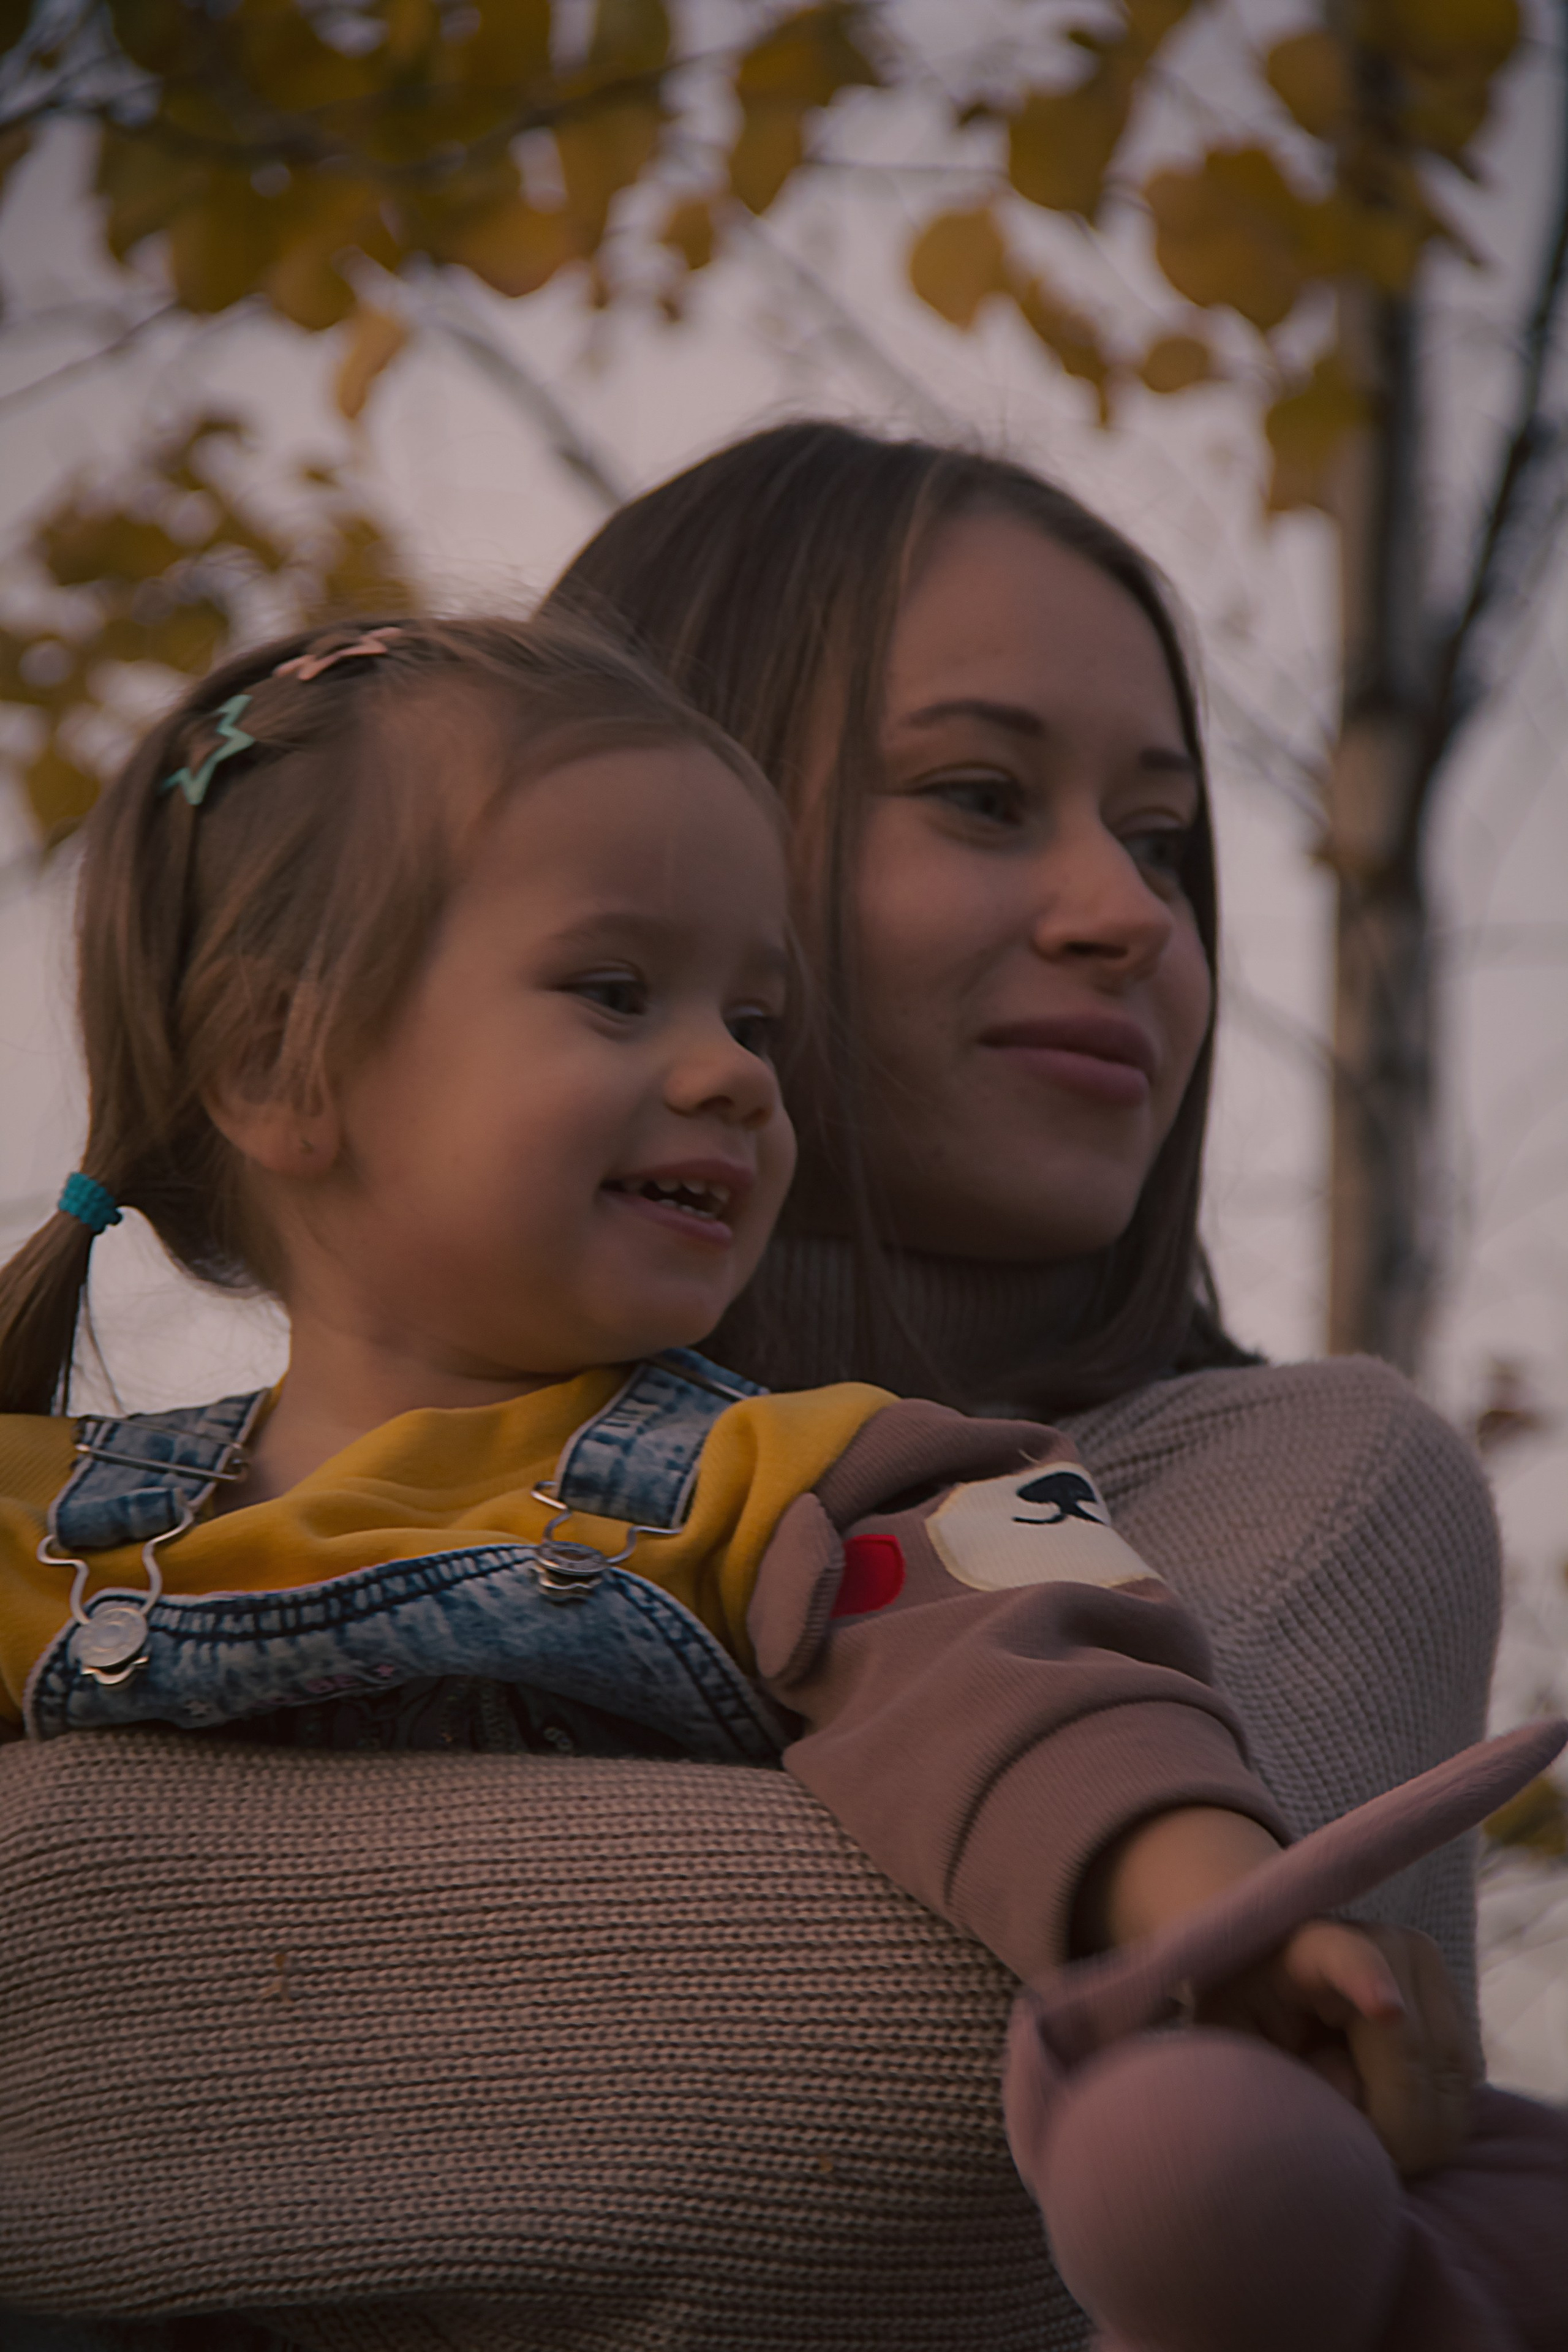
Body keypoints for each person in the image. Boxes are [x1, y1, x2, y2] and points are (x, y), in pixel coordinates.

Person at [0, 431, 1503, 2349]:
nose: (1131, 914)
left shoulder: (1212, 1481)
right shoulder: (98, 1505)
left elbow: (1004, 2093)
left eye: (1162, 839)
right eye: (980, 794)